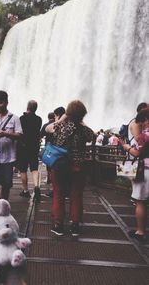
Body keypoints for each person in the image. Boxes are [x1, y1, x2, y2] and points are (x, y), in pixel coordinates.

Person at [46, 100, 94, 236]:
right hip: (78, 166)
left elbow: (47, 129)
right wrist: (81, 121)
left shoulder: (60, 127)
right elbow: (93, 135)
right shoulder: (85, 130)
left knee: (58, 193)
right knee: (76, 195)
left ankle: (58, 225)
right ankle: (75, 226)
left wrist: (63, 118)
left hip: (60, 165)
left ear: (68, 113)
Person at [120, 108, 149, 243]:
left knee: (141, 202)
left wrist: (126, 147)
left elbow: (137, 153)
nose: (141, 126)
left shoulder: (144, 136)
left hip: (144, 170)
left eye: (141, 123)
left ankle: (141, 231)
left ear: (145, 120)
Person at [18, 100, 42, 201]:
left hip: (23, 147)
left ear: (27, 107)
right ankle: (36, 186)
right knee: (34, 168)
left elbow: (20, 132)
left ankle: (25, 191)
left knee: (23, 169)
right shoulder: (39, 119)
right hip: (34, 146)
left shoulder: (22, 118)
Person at [40, 112, 55, 191]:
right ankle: (53, 179)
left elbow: (41, 135)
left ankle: (48, 177)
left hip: (48, 146)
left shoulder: (46, 125)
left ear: (48, 117)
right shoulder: (57, 124)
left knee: (48, 162)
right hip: (56, 146)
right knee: (54, 163)